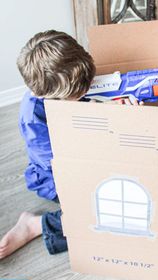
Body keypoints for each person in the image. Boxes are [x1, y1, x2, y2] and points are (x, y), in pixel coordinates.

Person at [0, 30, 143, 259]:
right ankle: (36, 225)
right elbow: (63, 164)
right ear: (42, 93)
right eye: (77, 93)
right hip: (57, 176)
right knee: (111, 212)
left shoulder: (67, 83)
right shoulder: (33, 118)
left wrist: (118, 112)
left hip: (86, 159)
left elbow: (88, 109)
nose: (85, 92)